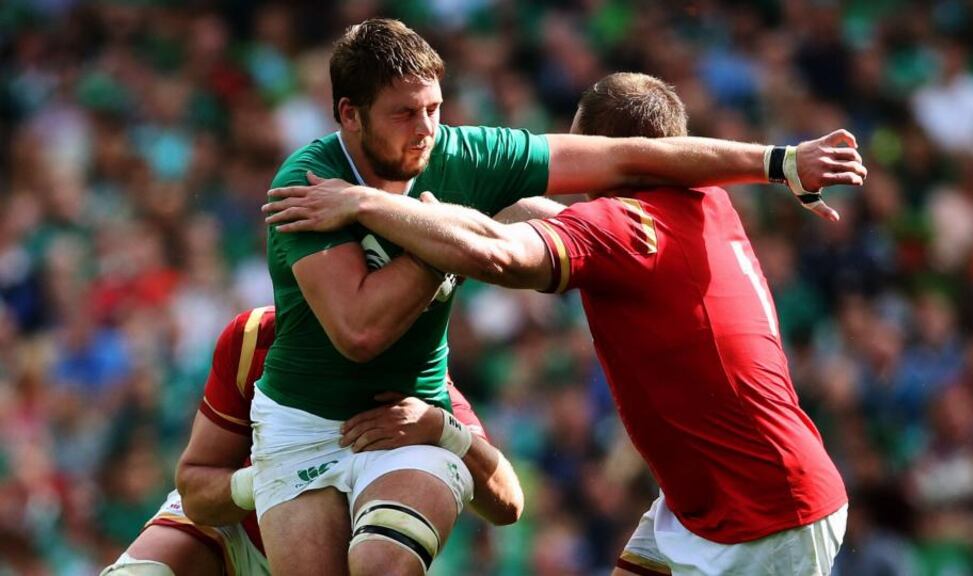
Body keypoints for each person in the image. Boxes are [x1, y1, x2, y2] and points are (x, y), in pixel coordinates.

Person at [258, 18, 865, 575]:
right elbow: (556, 210)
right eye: (406, 114)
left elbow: (498, 251)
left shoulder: (624, 226)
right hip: (702, 504)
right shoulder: (703, 204)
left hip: (765, 514)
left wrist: (369, 202)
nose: (427, 130)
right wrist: (781, 161)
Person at [101, 306, 522, 576]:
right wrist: (272, 480)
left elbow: (508, 503)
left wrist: (441, 428)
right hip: (240, 528)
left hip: (335, 554)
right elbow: (195, 486)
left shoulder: (410, 365)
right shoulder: (255, 337)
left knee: (389, 544)